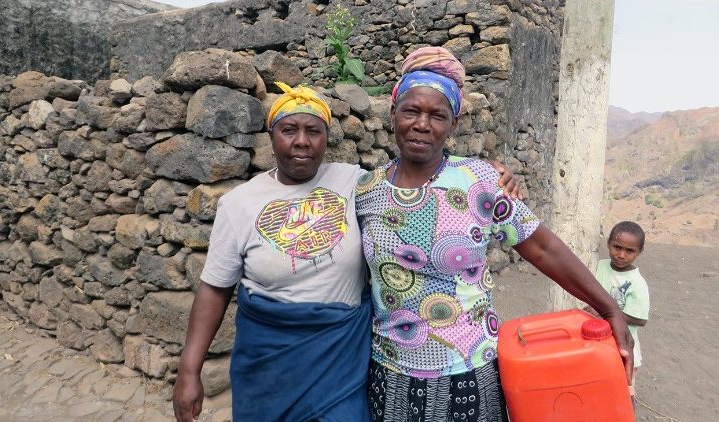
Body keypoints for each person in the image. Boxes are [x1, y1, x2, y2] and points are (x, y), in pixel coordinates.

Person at [172, 81, 522, 422]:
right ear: (271, 136)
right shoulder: (238, 204)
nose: (301, 142)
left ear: (327, 138)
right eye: (288, 130)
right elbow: (215, 289)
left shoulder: (355, 182)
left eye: (314, 131)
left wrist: (484, 171)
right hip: (269, 362)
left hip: (339, 359)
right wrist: (189, 370)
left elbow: (416, 175)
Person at [354, 46, 635, 421]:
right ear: (393, 115)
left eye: (438, 115)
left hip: (470, 373)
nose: (422, 124)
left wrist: (609, 308)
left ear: (453, 124)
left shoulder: (482, 181)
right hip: (390, 376)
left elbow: (543, 247)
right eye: (411, 111)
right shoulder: (365, 190)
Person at [585, 221, 649, 399]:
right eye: (617, 247)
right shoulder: (600, 266)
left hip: (624, 347)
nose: (621, 255)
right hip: (598, 344)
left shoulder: (637, 283)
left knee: (624, 393)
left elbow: (640, 319)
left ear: (639, 252)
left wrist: (604, 312)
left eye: (629, 251)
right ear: (608, 244)